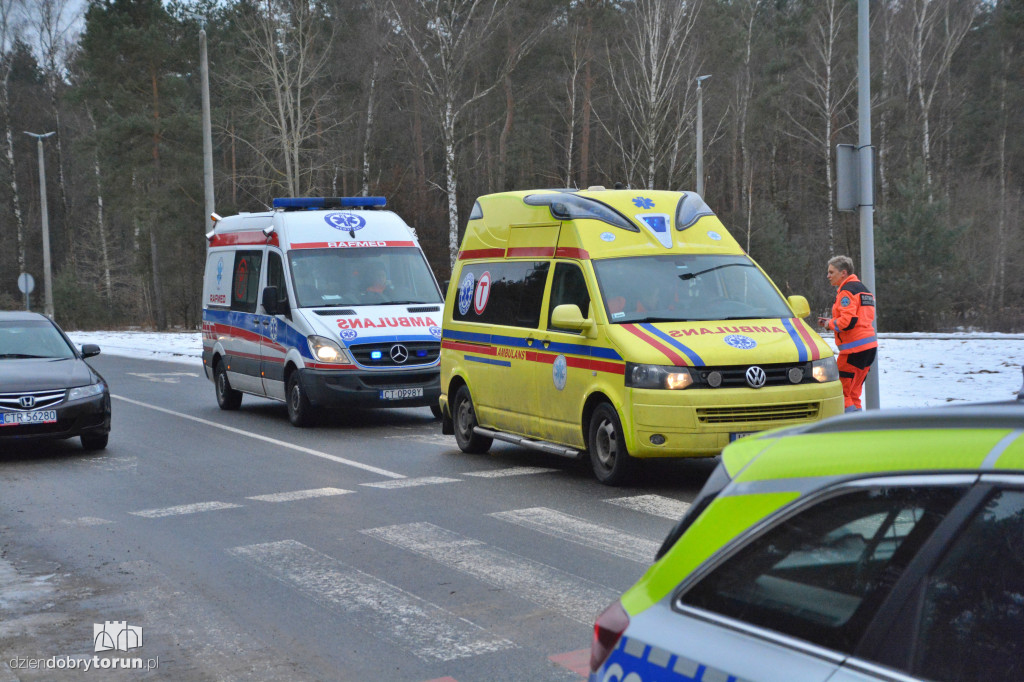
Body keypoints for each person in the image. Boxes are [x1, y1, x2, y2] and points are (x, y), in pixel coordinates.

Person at [818, 255, 877, 413]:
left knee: (842, 393)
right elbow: (859, 319)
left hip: (853, 352)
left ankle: (848, 424)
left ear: (843, 273)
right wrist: (833, 321)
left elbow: (847, 321)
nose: (828, 276)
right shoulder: (864, 291)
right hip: (869, 349)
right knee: (854, 393)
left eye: (831, 272)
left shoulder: (846, 291)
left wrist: (829, 324)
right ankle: (858, 423)